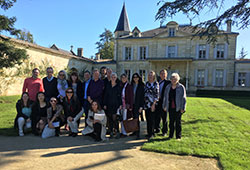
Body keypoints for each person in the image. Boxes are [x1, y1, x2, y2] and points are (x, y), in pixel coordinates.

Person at [163, 73, 186, 140]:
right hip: (170, 107)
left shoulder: (181, 87)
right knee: (171, 122)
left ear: (178, 79)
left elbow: (184, 98)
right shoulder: (168, 87)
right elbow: (165, 97)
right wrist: (164, 106)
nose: (173, 80)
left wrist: (183, 108)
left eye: (175, 79)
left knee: (178, 122)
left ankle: (178, 136)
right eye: (172, 79)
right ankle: (171, 135)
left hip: (178, 107)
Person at [103, 72, 122, 138]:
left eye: (114, 77)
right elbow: (105, 95)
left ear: (116, 78)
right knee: (110, 118)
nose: (113, 78)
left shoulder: (118, 86)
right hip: (109, 104)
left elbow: (120, 96)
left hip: (116, 104)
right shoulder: (108, 85)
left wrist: (120, 104)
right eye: (112, 77)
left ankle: (117, 131)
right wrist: (105, 104)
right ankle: (111, 131)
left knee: (115, 118)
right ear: (110, 78)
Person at [155, 69, 171, 136]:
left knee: (164, 117)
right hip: (157, 101)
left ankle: (164, 131)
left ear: (166, 75)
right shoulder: (157, 82)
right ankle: (157, 129)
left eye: (164, 73)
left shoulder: (168, 82)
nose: (163, 75)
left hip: (164, 101)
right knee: (157, 116)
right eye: (161, 73)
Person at [144, 71, 159, 139]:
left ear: (154, 76)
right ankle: (148, 132)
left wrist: (153, 104)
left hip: (153, 104)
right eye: (149, 75)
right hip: (147, 104)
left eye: (151, 75)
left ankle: (152, 133)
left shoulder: (156, 84)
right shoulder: (146, 83)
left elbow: (157, 95)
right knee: (148, 119)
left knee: (152, 119)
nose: (150, 77)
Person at [131, 73, 145, 139]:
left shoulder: (142, 86)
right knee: (134, 118)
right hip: (132, 104)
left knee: (137, 119)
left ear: (139, 78)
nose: (135, 78)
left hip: (138, 105)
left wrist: (141, 106)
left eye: (136, 77)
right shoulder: (132, 85)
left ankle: (138, 133)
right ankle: (134, 131)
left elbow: (143, 97)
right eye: (134, 77)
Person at [120, 73, 134, 138]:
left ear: (126, 78)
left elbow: (131, 97)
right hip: (121, 105)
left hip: (126, 105)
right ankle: (122, 131)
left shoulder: (129, 86)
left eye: (124, 77)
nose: (123, 79)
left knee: (125, 119)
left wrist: (130, 106)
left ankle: (125, 132)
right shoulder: (120, 85)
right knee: (122, 119)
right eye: (122, 77)